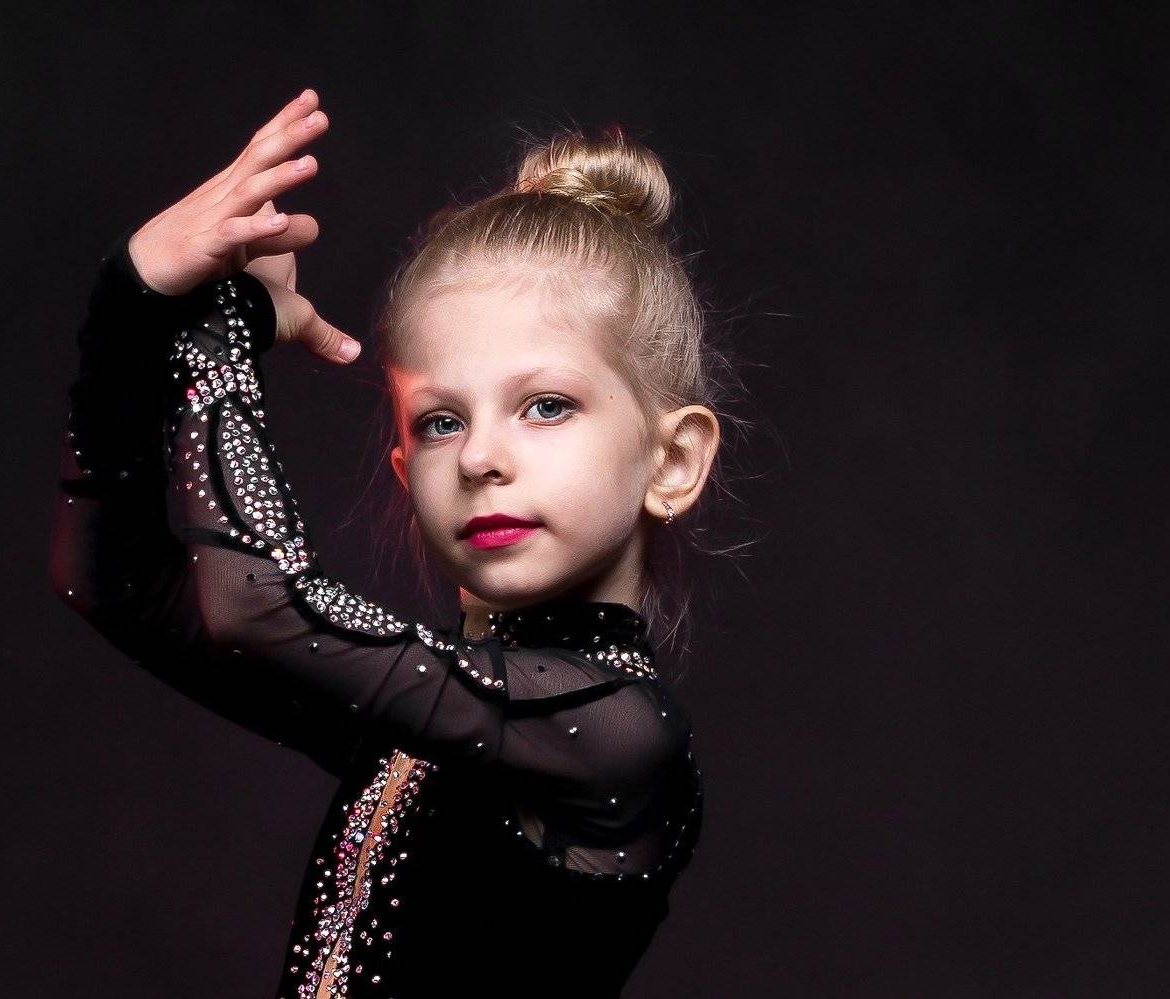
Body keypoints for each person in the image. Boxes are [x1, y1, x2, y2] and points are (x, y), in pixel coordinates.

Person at [49, 87, 722, 997]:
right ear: (405, 470)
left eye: (546, 405)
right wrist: (128, 304)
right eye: (442, 420)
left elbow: (260, 608)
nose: (480, 456)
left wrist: (220, 327)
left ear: (672, 461)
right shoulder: (429, 722)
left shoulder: (618, 732)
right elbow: (113, 581)